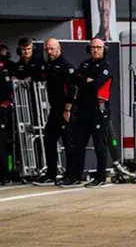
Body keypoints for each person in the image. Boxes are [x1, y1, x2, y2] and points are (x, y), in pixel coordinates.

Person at [67, 37, 114, 188]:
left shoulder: (106, 66)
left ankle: (100, 177)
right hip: (83, 109)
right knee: (78, 144)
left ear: (104, 49)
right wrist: (85, 79)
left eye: (98, 47)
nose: (95, 50)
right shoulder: (85, 63)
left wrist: (86, 80)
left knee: (100, 144)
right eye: (93, 47)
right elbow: (74, 78)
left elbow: (96, 85)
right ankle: (76, 176)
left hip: (99, 109)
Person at [33, 38, 76, 186]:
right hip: (55, 110)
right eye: (47, 49)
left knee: (68, 143)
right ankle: (51, 174)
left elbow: (73, 88)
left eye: (52, 49)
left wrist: (67, 109)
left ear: (59, 49)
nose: (49, 52)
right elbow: (39, 76)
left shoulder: (66, 66)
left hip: (66, 109)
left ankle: (71, 175)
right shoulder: (49, 66)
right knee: (49, 138)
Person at [0, 45, 14, 185]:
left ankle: (5, 174)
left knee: (2, 143)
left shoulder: (5, 67)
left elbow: (7, 91)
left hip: (2, 109)